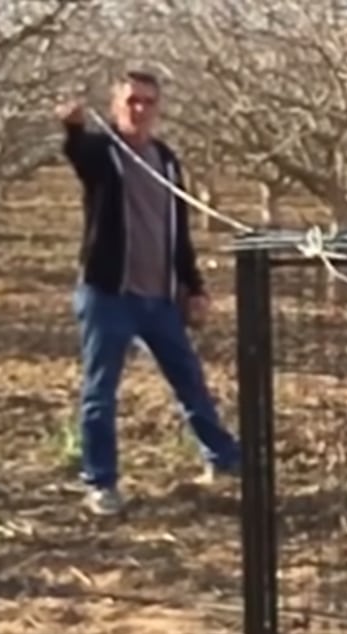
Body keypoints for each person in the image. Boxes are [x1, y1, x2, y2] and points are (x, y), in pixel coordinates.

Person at [56, 69, 241, 516]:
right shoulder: (104, 154)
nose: (140, 109)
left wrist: (193, 286)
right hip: (108, 294)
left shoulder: (166, 161)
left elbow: (177, 233)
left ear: (158, 109)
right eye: (131, 101)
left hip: (158, 298)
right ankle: (101, 482)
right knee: (101, 392)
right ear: (116, 105)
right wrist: (73, 125)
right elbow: (79, 154)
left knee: (190, 383)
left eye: (148, 102)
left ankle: (225, 460)